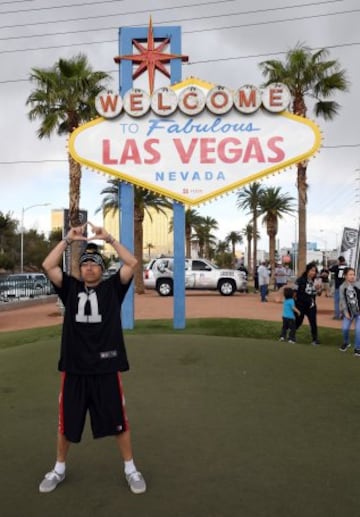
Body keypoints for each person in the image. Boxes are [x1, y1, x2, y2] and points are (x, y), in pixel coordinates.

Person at [38, 222, 146, 495]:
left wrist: (108, 238)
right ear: (80, 268)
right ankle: (59, 469)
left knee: (118, 421)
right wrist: (67, 240)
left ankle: (131, 469)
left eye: (94, 264)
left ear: (101, 268)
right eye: (85, 263)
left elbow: (131, 262)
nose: (89, 267)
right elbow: (48, 265)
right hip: (75, 369)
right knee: (67, 423)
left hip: (106, 368)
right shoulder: (70, 288)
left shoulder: (113, 289)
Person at [294, 262, 322, 345]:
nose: (313, 272)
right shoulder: (300, 280)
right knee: (298, 321)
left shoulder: (316, 281)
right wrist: (294, 303)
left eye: (315, 271)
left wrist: (319, 289)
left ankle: (315, 339)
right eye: (311, 270)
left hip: (311, 305)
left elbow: (319, 294)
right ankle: (291, 335)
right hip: (300, 305)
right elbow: (294, 292)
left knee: (313, 322)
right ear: (307, 270)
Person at [339, 267, 360, 355]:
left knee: (358, 330)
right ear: (345, 276)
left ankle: (357, 348)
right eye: (350, 274)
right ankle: (346, 342)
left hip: (359, 312)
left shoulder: (358, 284)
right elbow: (342, 300)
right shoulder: (342, 287)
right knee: (344, 328)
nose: (352, 276)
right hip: (349, 312)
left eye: (353, 274)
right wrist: (345, 312)